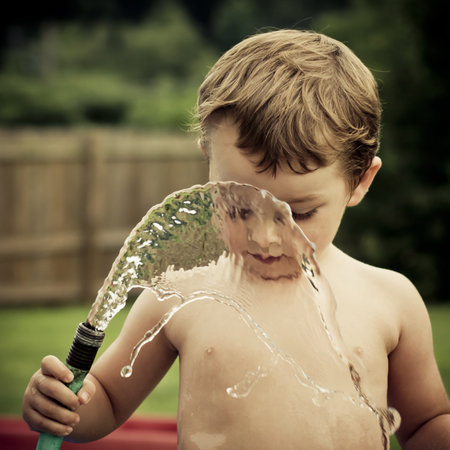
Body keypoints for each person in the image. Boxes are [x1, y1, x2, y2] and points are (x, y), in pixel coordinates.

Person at [22, 29, 450, 449]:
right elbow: (108, 401)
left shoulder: (389, 300)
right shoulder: (180, 294)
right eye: (240, 206)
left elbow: (427, 422)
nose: (265, 236)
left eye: (297, 213)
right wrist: (66, 408)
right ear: (209, 165)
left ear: (359, 182)